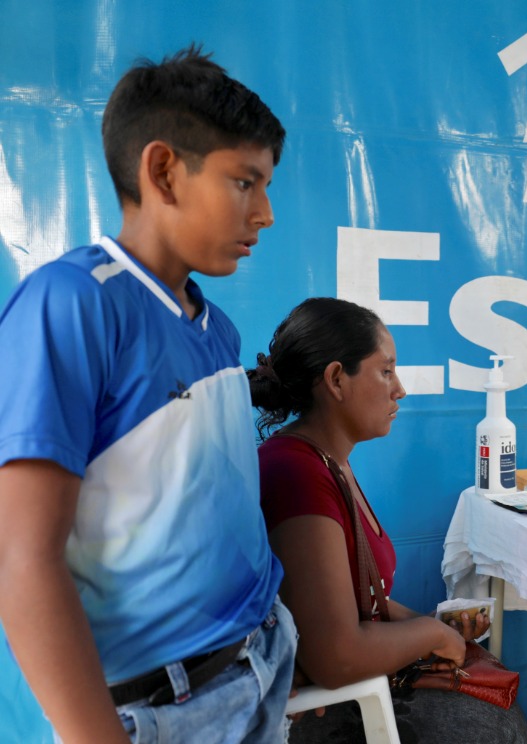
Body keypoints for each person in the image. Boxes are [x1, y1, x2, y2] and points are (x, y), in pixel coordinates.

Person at [0, 46, 296, 743]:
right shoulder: (71, 306)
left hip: (258, 663)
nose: (266, 214)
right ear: (163, 170)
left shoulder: (214, 326)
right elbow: (21, 559)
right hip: (165, 710)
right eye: (244, 182)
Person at [249, 297, 527, 744]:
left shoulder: (327, 462)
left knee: (499, 711)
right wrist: (427, 634)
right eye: (386, 371)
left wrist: (437, 630)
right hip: (312, 712)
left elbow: (361, 601)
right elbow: (335, 657)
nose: (398, 388)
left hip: (343, 688)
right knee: (494, 729)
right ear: (337, 379)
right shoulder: (297, 473)